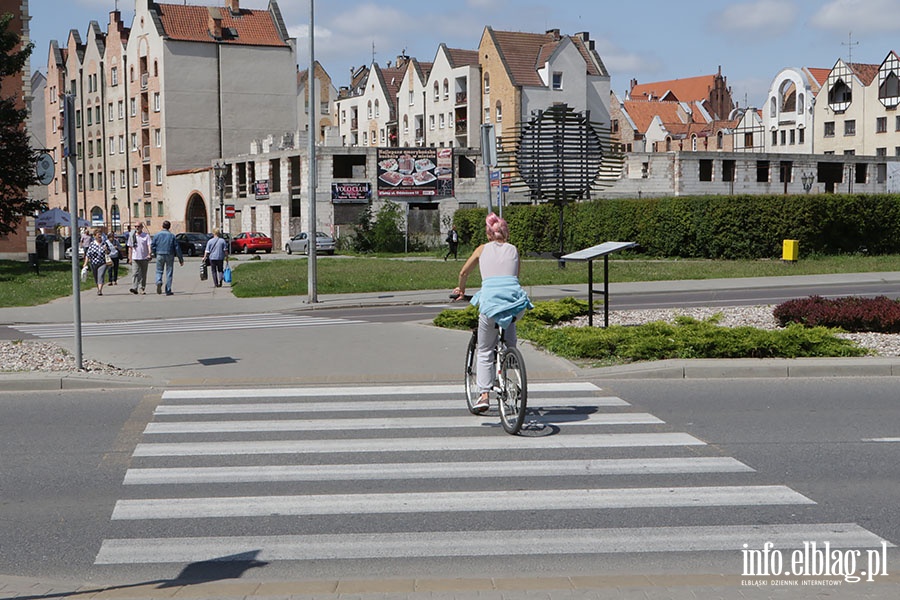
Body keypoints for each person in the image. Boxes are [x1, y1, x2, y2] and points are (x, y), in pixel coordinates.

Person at [452, 213, 532, 413]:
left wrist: (461, 290)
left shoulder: (481, 250)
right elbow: (514, 276)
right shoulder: (514, 250)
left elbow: (463, 273)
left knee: (486, 349)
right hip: (515, 303)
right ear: (506, 232)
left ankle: (484, 394)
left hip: (490, 304)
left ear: (489, 234)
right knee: (509, 333)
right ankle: (510, 360)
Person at [150, 220, 183, 296]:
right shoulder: (172, 236)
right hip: (169, 254)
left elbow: (153, 245)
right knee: (169, 272)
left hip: (159, 254)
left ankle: (158, 281)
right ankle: (168, 290)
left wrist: (153, 253)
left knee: (159, 270)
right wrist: (180, 259)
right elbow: (177, 247)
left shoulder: (157, 235)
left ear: (162, 226)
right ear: (169, 227)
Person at [82, 229, 110, 296]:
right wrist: (85, 263)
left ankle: (100, 290)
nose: (100, 236)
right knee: (96, 277)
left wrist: (106, 250)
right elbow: (88, 255)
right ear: (95, 236)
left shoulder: (104, 243)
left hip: (103, 263)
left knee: (100, 275)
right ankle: (98, 288)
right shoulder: (92, 244)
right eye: (98, 235)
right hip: (93, 263)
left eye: (100, 234)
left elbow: (109, 252)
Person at [129, 223, 151, 294]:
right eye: (135, 226)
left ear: (142, 227)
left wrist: (149, 253)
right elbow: (130, 247)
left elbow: (149, 245)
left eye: (138, 226)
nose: (137, 228)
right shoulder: (132, 236)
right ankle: (134, 288)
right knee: (135, 273)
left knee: (143, 274)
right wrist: (129, 258)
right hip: (135, 257)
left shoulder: (146, 236)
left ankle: (142, 288)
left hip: (144, 257)